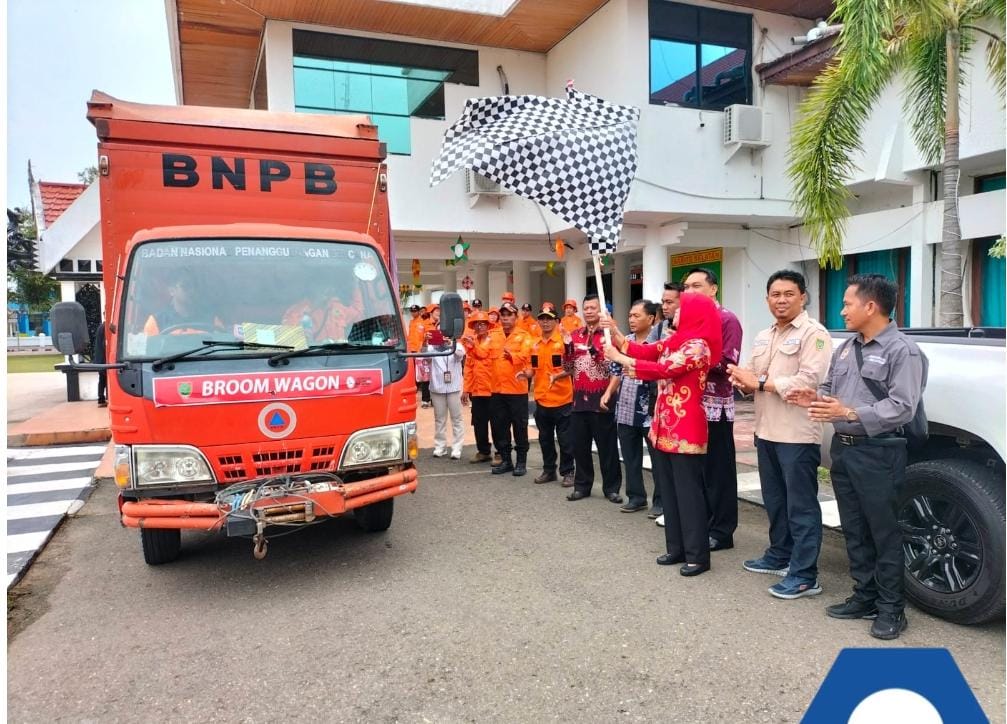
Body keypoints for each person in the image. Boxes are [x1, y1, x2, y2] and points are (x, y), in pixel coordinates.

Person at [789, 274, 927, 640]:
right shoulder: (847, 347)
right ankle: (864, 596)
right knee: (855, 529)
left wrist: (850, 413)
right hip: (845, 452)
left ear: (870, 306)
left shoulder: (903, 351)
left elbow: (902, 407)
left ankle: (891, 609)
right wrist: (815, 399)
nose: (842, 310)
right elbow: (832, 389)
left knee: (884, 532)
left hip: (880, 452)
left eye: (848, 304)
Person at [727, 270, 833, 600]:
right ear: (767, 299)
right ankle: (779, 555)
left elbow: (808, 381)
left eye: (789, 294)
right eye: (775, 294)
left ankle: (804, 575)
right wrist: (742, 379)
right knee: (775, 501)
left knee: (801, 506)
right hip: (767, 430)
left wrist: (757, 383)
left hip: (797, 434)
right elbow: (753, 373)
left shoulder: (814, 335)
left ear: (803, 297)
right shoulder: (765, 335)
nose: (781, 300)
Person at [604, 293, 722, 576]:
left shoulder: (698, 347)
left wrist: (619, 357)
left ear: (695, 314)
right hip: (664, 425)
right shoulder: (677, 341)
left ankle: (697, 555)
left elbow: (662, 369)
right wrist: (618, 335)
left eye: (681, 309)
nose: (674, 312)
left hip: (686, 427)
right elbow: (648, 351)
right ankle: (677, 548)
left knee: (688, 493)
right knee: (669, 490)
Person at [682, 267, 742, 552]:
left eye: (697, 285)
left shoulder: (726, 319)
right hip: (689, 404)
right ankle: (702, 523)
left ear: (713, 289)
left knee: (719, 471)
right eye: (687, 287)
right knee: (698, 471)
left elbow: (728, 363)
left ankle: (722, 530)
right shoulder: (689, 323)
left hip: (715, 407)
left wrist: (694, 359)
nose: (690, 292)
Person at [563, 294, 623, 503]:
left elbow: (613, 366)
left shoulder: (609, 335)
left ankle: (612, 488)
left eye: (593, 308)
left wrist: (592, 350)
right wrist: (568, 348)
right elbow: (568, 368)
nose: (588, 311)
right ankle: (582, 486)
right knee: (580, 446)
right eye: (586, 308)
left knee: (607, 448)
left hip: (602, 401)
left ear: (601, 311)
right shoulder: (575, 334)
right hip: (579, 400)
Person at [609, 300, 658, 513]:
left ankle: (661, 502)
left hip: (650, 411)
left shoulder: (658, 344)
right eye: (630, 315)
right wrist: (608, 392)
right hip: (626, 409)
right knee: (630, 458)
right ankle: (636, 497)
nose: (631, 319)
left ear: (651, 318)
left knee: (658, 461)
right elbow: (616, 371)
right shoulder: (625, 342)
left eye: (637, 316)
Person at [521, 303, 575, 486]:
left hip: (563, 399)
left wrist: (558, 375)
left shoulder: (564, 343)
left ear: (557, 321)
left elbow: (572, 369)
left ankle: (568, 472)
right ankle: (549, 470)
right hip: (542, 399)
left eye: (549, 319)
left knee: (566, 440)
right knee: (545, 439)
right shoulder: (534, 345)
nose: (545, 322)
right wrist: (525, 374)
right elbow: (531, 369)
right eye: (542, 319)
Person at [489, 302, 533, 475]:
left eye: (509, 315)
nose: (506, 318)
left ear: (516, 317)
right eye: (503, 315)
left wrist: (512, 356)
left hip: (517, 390)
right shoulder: (493, 335)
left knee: (520, 427)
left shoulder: (525, 336)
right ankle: (506, 460)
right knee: (500, 426)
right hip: (497, 390)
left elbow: (527, 357)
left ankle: (521, 461)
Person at [460, 311, 498, 464]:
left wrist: (472, 345)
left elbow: (482, 354)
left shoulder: (492, 341)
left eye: (483, 323)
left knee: (497, 423)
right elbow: (468, 368)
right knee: (478, 422)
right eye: (477, 324)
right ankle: (483, 451)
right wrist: (466, 389)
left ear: (488, 326)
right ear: (473, 327)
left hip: (492, 390)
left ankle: (501, 453)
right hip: (477, 390)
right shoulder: (473, 342)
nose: (480, 326)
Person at [429, 329, 466, 460]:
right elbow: (421, 355)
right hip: (437, 387)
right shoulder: (431, 347)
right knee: (439, 419)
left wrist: (451, 344)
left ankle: (457, 448)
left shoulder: (456, 344)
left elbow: (460, 354)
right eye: (439, 332)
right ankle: (440, 447)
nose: (442, 335)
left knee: (456, 418)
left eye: (444, 332)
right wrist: (424, 341)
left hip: (454, 387)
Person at [93, 322, 107, 407]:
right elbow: (104, 344)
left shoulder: (101, 326)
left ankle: (101, 399)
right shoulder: (105, 327)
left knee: (102, 379)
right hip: (103, 359)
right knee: (104, 379)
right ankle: (102, 399)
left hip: (100, 358)